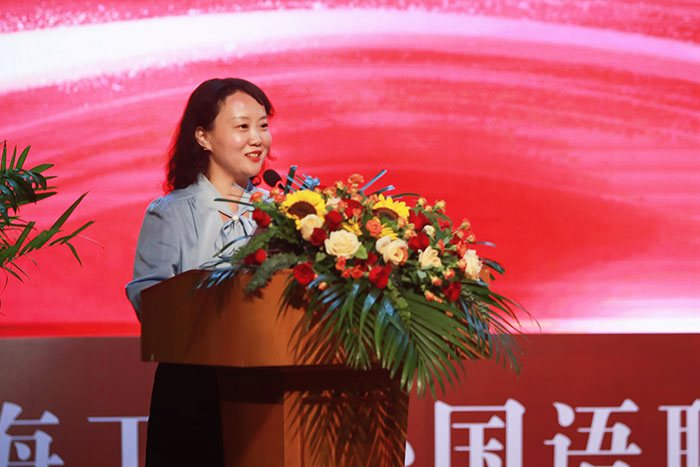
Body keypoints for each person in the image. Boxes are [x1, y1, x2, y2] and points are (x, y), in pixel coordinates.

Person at [125, 78, 274, 466]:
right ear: (203, 137)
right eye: (242, 126)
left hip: (269, 386)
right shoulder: (171, 212)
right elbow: (151, 303)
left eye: (262, 126)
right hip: (193, 391)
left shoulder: (282, 214)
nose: (257, 138)